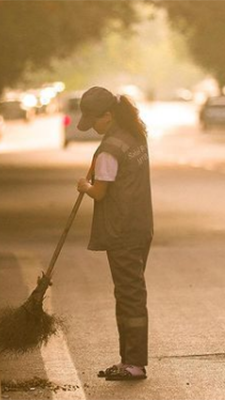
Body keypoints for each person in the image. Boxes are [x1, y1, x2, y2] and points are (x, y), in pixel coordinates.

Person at [75, 86, 153, 381]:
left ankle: (133, 363)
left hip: (122, 230)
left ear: (108, 115)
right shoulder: (134, 135)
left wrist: (84, 187)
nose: (92, 126)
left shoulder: (109, 149)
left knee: (129, 295)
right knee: (131, 292)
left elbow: (100, 192)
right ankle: (129, 360)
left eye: (94, 119)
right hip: (141, 225)